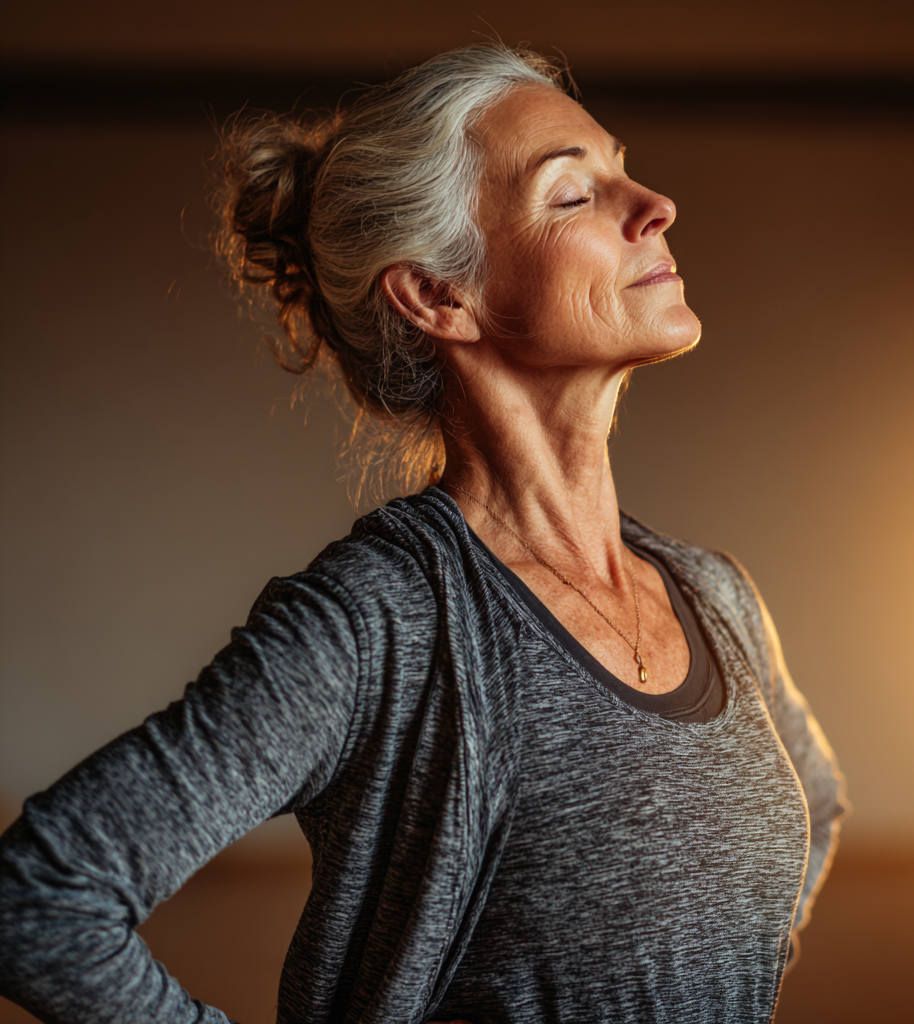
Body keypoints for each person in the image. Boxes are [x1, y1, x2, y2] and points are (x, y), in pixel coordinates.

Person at [0, 43, 847, 1024]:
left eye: (622, 164)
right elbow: (40, 900)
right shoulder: (376, 623)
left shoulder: (714, 595)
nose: (652, 203)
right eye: (573, 195)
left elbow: (813, 805)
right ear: (440, 294)